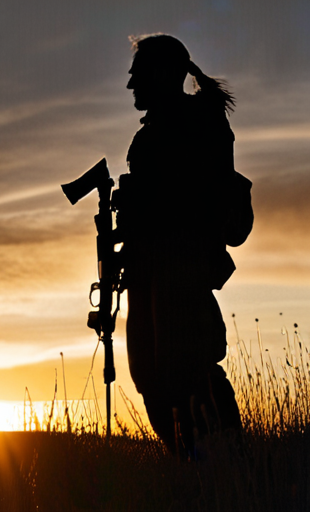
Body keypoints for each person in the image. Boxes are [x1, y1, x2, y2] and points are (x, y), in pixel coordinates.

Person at [116, 34, 252, 457]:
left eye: (138, 75)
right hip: (148, 271)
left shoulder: (197, 122)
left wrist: (145, 202)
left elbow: (193, 197)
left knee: (187, 372)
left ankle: (231, 469)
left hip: (181, 269)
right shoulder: (152, 134)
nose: (131, 85)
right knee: (151, 376)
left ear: (163, 74)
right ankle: (195, 469)